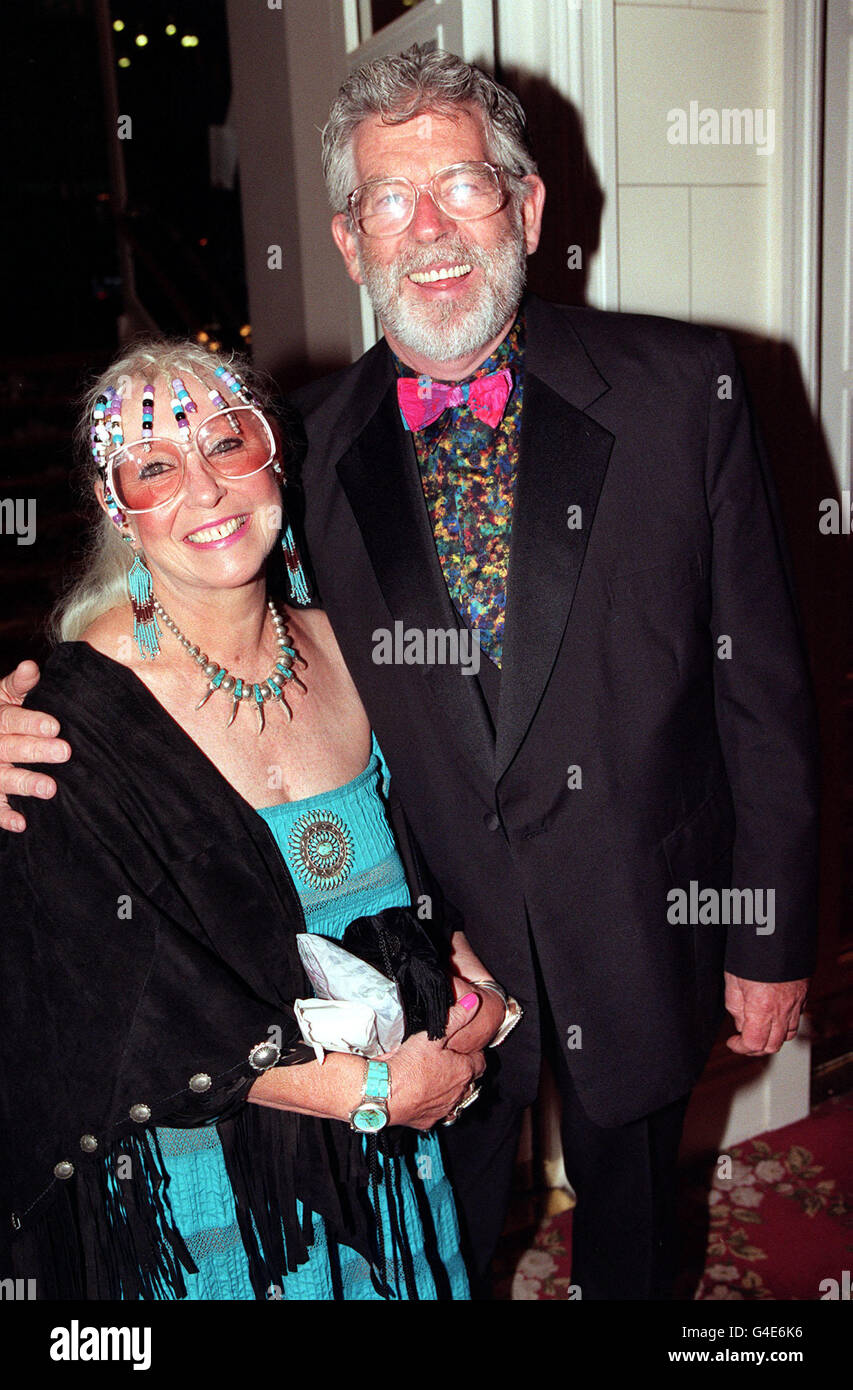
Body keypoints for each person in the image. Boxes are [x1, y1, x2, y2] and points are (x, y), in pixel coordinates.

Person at [0, 47, 819, 1300]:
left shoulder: (684, 390)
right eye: (389, 198)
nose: (428, 229)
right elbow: (180, 613)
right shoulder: (303, 445)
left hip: (640, 929)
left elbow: (761, 686)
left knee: (639, 1240)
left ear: (527, 209)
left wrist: (766, 933)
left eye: (463, 186)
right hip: (425, 966)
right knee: (434, 1241)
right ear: (347, 239)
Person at [0, 339, 513, 1301]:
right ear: (116, 506)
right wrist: (369, 1093)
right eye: (155, 466)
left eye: (227, 443)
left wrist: (477, 995)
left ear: (273, 455)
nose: (206, 489)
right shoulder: (69, 721)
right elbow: (109, 1000)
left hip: (387, 1160)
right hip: (212, 1184)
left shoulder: (358, 649)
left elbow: (437, 859)